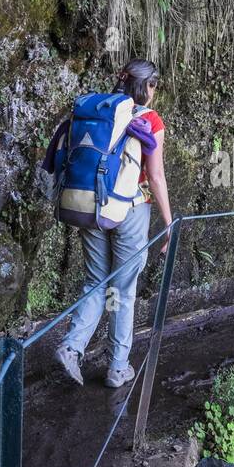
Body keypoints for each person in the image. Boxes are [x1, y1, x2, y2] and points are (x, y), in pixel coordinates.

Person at [54, 60, 173, 388]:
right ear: (148, 87)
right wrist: (169, 222)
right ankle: (118, 367)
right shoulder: (149, 119)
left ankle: (71, 346)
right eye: (154, 86)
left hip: (90, 204)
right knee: (122, 289)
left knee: (95, 281)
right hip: (130, 210)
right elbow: (157, 175)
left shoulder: (99, 110)